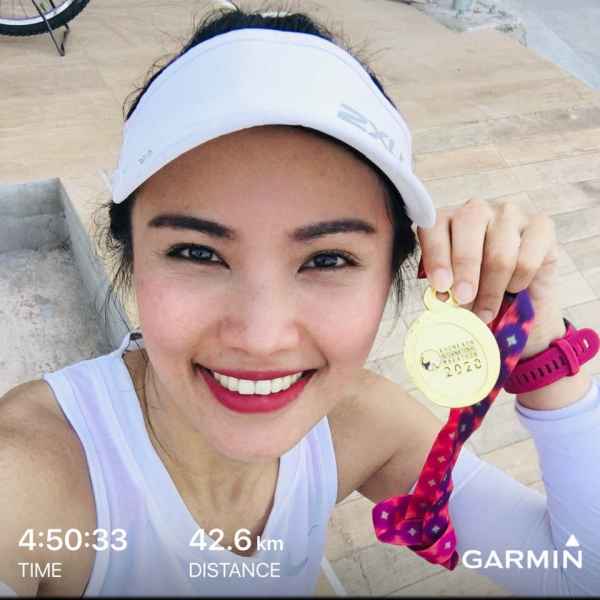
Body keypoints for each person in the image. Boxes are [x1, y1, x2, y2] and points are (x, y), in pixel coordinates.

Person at [1, 3, 599, 598]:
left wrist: (541, 347)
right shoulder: (28, 482)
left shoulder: (355, 426)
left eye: (327, 260)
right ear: (132, 259)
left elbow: (576, 572)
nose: (261, 339)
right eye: (198, 253)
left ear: (395, 274)